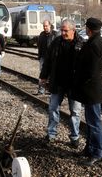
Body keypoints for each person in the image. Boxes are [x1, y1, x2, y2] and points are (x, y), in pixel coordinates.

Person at [39, 19, 83, 148]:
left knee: (75, 112)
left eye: (65, 30)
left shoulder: (80, 44)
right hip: (57, 82)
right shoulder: (56, 42)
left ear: (73, 30)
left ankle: (75, 137)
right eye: (62, 30)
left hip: (73, 84)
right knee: (53, 108)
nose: (63, 33)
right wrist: (43, 76)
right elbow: (48, 60)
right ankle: (51, 134)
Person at [73, 18, 102, 166]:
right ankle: (89, 148)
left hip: (92, 90)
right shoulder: (98, 42)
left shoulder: (94, 44)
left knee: (94, 123)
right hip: (91, 89)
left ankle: (97, 153)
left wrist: (81, 82)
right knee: (90, 122)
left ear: (89, 29)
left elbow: (92, 71)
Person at [36, 20, 57, 95]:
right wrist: (40, 56)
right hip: (43, 57)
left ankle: (51, 90)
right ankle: (41, 90)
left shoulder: (55, 34)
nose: (45, 27)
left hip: (52, 58)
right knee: (42, 74)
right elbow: (39, 46)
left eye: (46, 26)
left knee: (52, 74)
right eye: (44, 26)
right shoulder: (41, 34)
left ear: (50, 25)